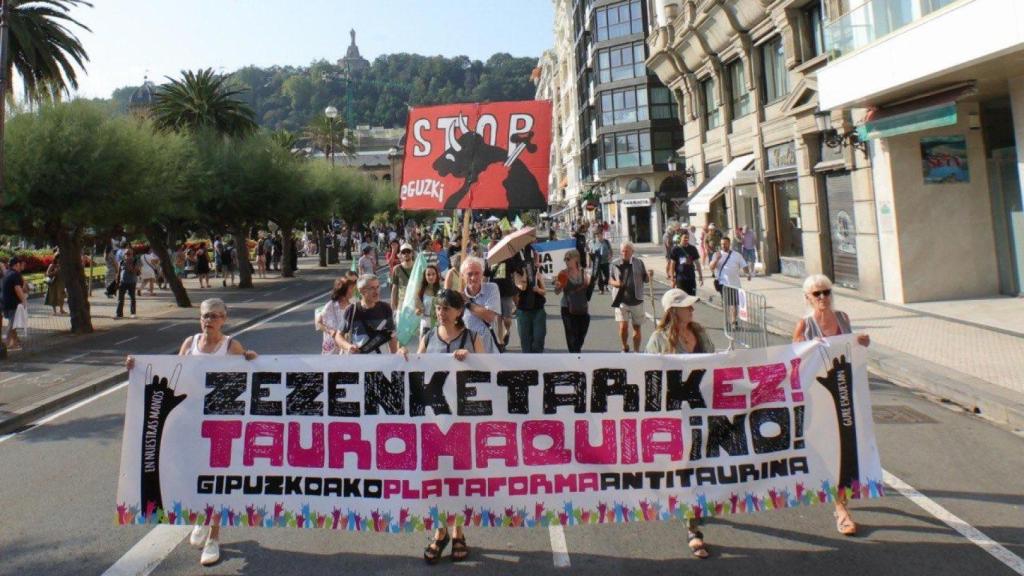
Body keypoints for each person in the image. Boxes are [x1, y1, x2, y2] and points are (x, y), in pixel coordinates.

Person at [126, 298, 258, 566]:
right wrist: (137, 366)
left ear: (224, 318)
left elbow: (247, 382)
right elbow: (173, 374)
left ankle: (214, 536)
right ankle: (200, 517)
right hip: (188, 422)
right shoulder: (189, 343)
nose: (208, 321)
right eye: (204, 316)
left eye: (214, 316)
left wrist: (251, 361)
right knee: (190, 475)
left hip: (220, 425)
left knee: (216, 479)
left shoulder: (232, 346)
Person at [400, 288, 483, 563]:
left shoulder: (472, 338)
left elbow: (488, 375)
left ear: (459, 311)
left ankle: (458, 532)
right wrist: (404, 355)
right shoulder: (427, 337)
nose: (441, 312)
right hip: (434, 422)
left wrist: (469, 359)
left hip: (463, 422)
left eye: (446, 308)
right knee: (436, 479)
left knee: (458, 479)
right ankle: (439, 532)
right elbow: (417, 369)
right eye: (438, 308)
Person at [792, 274, 870, 537]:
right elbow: (795, 362)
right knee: (830, 449)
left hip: (845, 392)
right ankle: (839, 504)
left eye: (826, 292)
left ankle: (840, 502)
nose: (823, 298)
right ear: (807, 298)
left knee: (846, 446)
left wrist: (861, 342)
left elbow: (852, 349)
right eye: (817, 294)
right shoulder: (804, 325)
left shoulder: (843, 319)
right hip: (819, 397)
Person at [645, 288, 714, 558]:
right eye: (687, 306)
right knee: (686, 468)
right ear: (673, 311)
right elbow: (649, 376)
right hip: (676, 415)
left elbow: (714, 362)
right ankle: (692, 528)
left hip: (704, 410)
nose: (692, 309)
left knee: (701, 464)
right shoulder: (658, 340)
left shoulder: (700, 332)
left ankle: (694, 509)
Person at [336, 274, 398, 354]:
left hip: (381, 362)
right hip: (360, 362)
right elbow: (338, 336)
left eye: (378, 287)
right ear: (361, 290)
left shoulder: (385, 308)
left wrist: (395, 359)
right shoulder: (351, 310)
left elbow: (391, 337)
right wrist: (348, 346)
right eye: (372, 288)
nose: (376, 291)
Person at [609, 241, 651, 353]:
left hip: (637, 300)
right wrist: (616, 283)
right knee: (623, 326)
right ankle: (624, 346)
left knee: (637, 328)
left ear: (632, 251)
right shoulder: (615, 263)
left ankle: (636, 351)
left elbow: (645, 279)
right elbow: (610, 280)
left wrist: (649, 275)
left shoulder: (639, 263)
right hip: (621, 300)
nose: (624, 253)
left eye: (627, 251)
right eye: (623, 251)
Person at [459, 256, 501, 352]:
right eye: (469, 274)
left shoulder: (492, 288)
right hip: (467, 352)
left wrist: (467, 303)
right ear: (462, 276)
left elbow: (489, 316)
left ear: (482, 274)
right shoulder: (458, 298)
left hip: (489, 351)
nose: (473, 278)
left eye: (477, 273)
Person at [555, 249, 591, 353]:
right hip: (567, 307)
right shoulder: (563, 273)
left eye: (568, 259)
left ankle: (576, 352)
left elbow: (588, 288)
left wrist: (589, 282)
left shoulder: (584, 273)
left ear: (576, 259)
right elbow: (557, 291)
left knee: (581, 334)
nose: (566, 261)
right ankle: (574, 356)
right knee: (571, 336)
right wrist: (559, 286)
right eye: (565, 259)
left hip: (581, 307)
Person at [514, 244, 546, 353]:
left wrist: (537, 289)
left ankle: (538, 365)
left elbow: (544, 291)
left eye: (536, 258)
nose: (536, 261)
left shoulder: (538, 274)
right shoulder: (516, 273)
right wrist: (524, 276)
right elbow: (521, 287)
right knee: (526, 343)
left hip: (538, 309)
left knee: (538, 341)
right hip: (523, 310)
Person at [316, 278, 355, 354]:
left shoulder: (353, 306)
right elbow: (318, 322)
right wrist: (330, 331)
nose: (353, 291)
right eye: (351, 288)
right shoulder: (330, 305)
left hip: (348, 346)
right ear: (343, 291)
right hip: (333, 347)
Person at [1, 257, 28, 350]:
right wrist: (24, 300)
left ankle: (15, 342)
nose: (22, 266)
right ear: (17, 265)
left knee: (13, 324)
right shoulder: (15, 274)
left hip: (6, 302)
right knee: (12, 325)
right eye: (21, 264)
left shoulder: (8, 273)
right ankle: (6, 344)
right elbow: (17, 289)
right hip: (13, 303)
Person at [669, 230, 703, 296]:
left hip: (691, 278)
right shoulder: (675, 249)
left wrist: (700, 276)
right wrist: (672, 278)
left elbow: (697, 263)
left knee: (691, 298)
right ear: (680, 238)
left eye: (687, 237)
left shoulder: (693, 249)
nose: (686, 239)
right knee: (682, 300)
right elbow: (672, 265)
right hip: (681, 279)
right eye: (685, 237)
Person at [416, 264, 442, 337]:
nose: (431, 277)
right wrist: (418, 311)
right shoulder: (421, 291)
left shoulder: (442, 290)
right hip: (425, 323)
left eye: (433, 274)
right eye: (428, 274)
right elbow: (417, 309)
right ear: (425, 276)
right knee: (424, 346)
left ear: (437, 275)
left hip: (439, 324)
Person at [389, 243, 416, 312]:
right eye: (403, 252)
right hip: (402, 304)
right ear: (400, 254)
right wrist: (393, 304)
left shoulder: (417, 267)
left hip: (416, 304)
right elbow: (394, 288)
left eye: (408, 251)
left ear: (412, 253)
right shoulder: (397, 269)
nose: (406, 253)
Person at [115, 247, 140, 319]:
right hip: (122, 282)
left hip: (132, 282)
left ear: (132, 254)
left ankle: (133, 313)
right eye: (126, 254)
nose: (127, 255)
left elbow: (135, 271)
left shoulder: (135, 261)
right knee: (120, 299)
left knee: (132, 298)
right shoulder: (122, 262)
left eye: (129, 254)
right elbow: (118, 273)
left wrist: (128, 264)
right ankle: (119, 314)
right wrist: (117, 282)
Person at [589, 229, 612, 294]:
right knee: (599, 277)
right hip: (597, 262)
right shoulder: (593, 243)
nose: (598, 237)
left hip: (605, 261)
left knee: (607, 276)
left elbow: (610, 250)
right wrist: (589, 263)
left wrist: (610, 256)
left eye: (599, 235)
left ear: (602, 235)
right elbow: (590, 253)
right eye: (597, 236)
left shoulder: (606, 242)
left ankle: (605, 285)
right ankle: (601, 289)